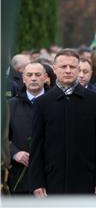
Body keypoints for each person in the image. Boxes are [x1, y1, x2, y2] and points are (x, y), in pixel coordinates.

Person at [29, 49, 96, 196]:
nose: (68, 71)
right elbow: (36, 146)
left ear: (78, 70)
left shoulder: (94, 101)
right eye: (63, 67)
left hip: (86, 181)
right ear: (54, 69)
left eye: (72, 67)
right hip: (52, 181)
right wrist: (37, 182)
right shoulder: (42, 103)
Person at [8, 62, 47, 194]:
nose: (33, 78)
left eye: (37, 74)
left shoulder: (56, 103)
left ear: (45, 77)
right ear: (23, 79)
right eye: (29, 75)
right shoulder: (11, 105)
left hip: (50, 177)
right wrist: (14, 153)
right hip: (20, 178)